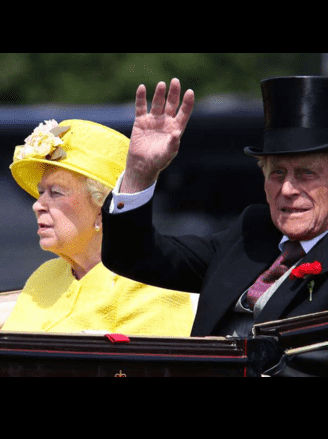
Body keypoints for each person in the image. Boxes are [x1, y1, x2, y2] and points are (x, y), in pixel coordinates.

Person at [100, 77, 328, 353]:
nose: (288, 189)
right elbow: (134, 256)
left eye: (306, 174)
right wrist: (140, 172)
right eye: (277, 173)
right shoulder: (253, 231)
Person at [3, 119, 194, 336]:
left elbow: (149, 367)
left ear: (101, 210)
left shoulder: (150, 282)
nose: (38, 205)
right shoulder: (46, 275)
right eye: (41, 193)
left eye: (56, 193)